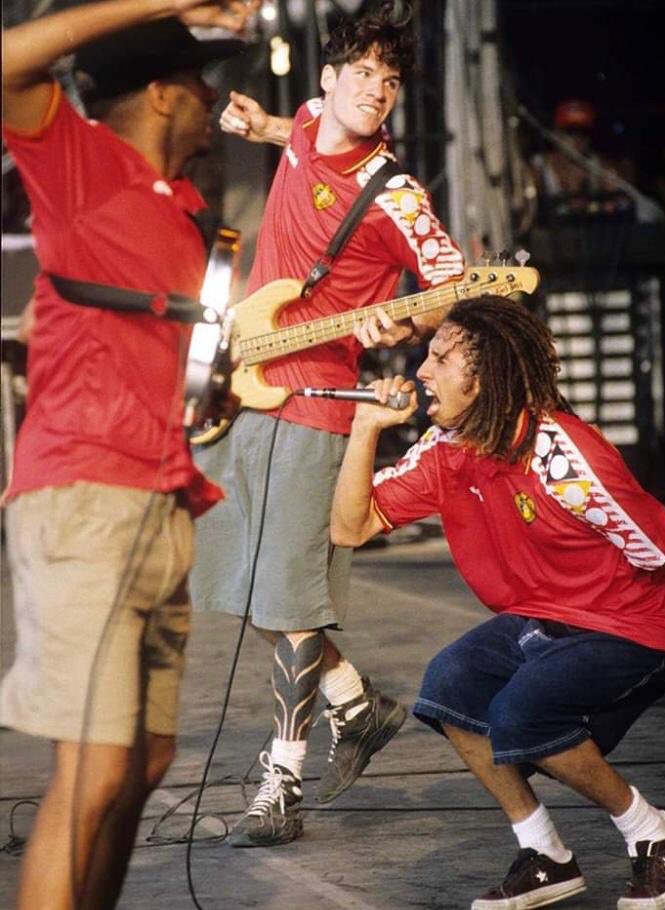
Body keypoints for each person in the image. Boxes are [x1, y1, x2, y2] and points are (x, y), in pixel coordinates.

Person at [191, 1, 465, 847]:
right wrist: (262, 122)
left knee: (295, 599)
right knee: (248, 588)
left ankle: (282, 781)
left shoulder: (402, 195)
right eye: (365, 76)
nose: (377, 92)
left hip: (319, 404)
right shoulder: (308, 120)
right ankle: (360, 706)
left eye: (391, 83)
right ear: (328, 80)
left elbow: (450, 283)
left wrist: (406, 324)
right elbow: (298, 134)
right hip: (248, 386)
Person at [330, 295, 665, 910]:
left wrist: (595, 573)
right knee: (450, 685)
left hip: (641, 624)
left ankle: (654, 833)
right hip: (549, 616)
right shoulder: (449, 445)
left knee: (520, 714)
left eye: (441, 358)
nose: (422, 370)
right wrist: (366, 429)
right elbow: (351, 527)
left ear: (484, 379)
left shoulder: (565, 457)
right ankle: (546, 854)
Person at [0, 3, 252, 907]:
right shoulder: (84, 164)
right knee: (95, 772)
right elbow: (5, 63)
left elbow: (177, 370)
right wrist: (167, 3)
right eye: (196, 82)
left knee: (142, 763)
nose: (210, 99)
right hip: (87, 497)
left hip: (158, 501)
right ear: (157, 93)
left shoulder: (183, 216)